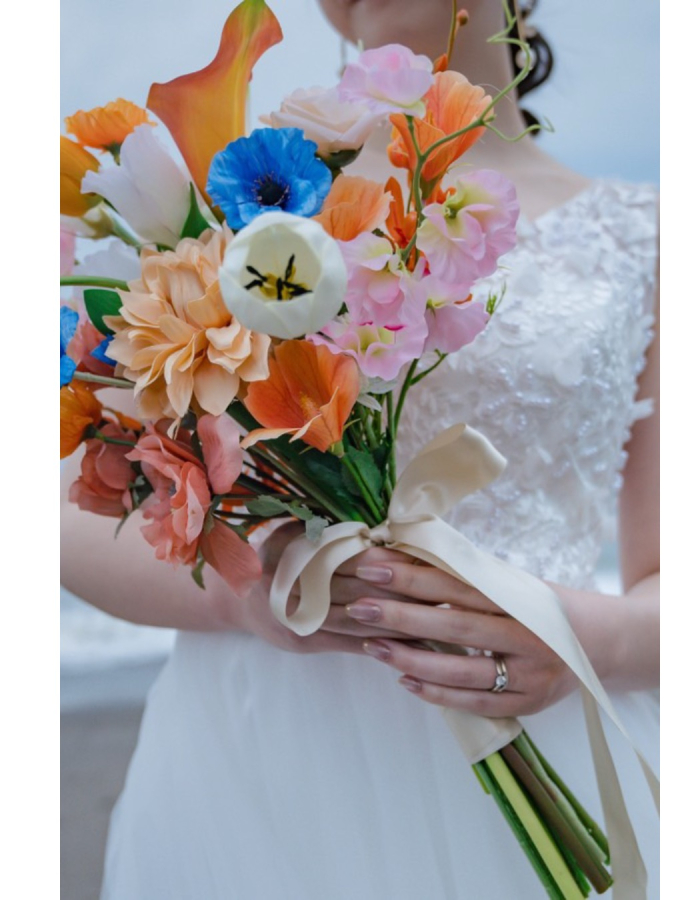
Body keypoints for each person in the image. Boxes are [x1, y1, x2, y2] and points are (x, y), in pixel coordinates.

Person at [60, 1, 660, 896]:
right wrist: (248, 593)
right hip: (259, 759)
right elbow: (61, 510)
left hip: (548, 724)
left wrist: (587, 640)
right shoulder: (232, 200)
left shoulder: (650, 237)